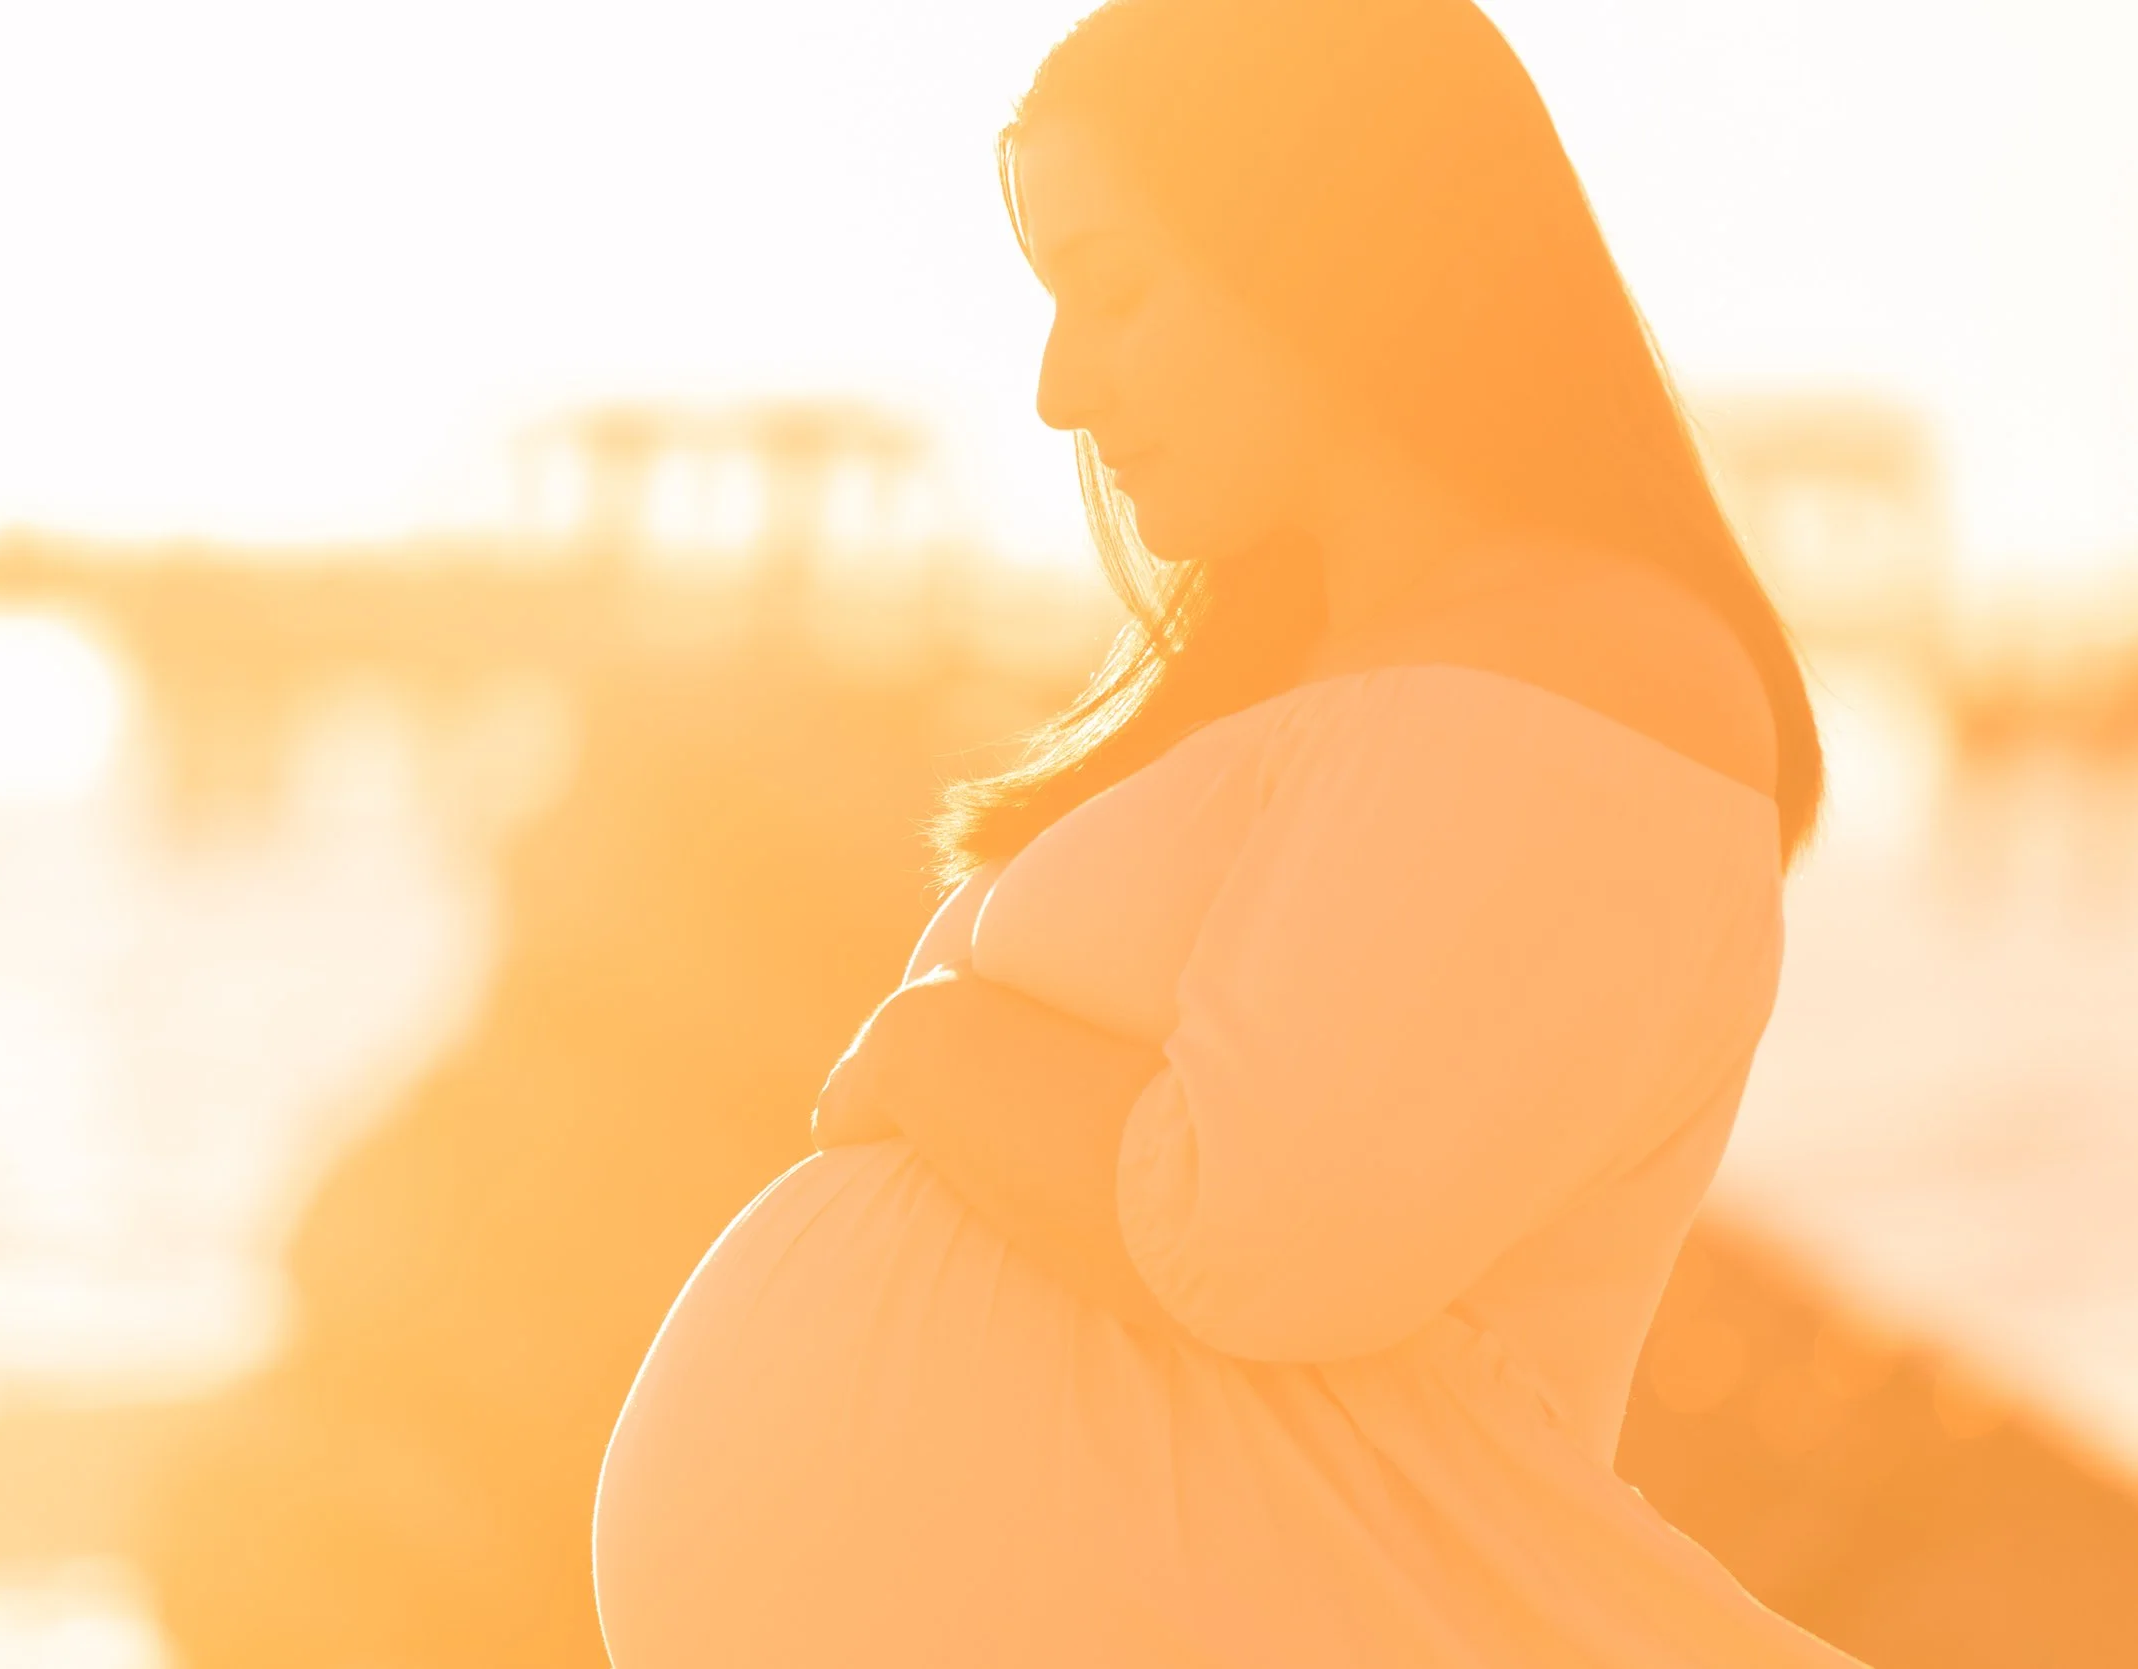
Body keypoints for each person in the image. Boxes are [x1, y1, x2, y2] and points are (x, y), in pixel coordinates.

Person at [593, 0, 1867, 1662]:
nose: (1056, 391)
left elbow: (1266, 1230)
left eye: (1116, 290)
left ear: (1329, 248)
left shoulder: (1579, 671)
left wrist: (930, 1054)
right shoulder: (1334, 675)